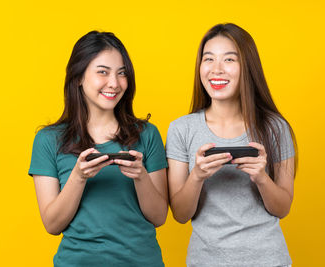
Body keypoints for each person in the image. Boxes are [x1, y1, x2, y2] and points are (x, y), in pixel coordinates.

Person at [29, 31, 168, 267]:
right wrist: (78, 176)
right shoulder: (48, 140)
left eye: (121, 73)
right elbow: (52, 225)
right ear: (79, 77)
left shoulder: (147, 134)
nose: (114, 83)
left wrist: (140, 176)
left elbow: (159, 217)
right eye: (102, 72)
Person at [166, 23, 297, 267]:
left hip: (268, 260)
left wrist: (261, 178)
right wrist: (197, 175)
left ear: (247, 67)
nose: (216, 70)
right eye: (208, 59)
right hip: (204, 261)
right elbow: (181, 215)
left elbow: (282, 208)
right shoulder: (181, 129)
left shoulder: (275, 128)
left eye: (229, 59)